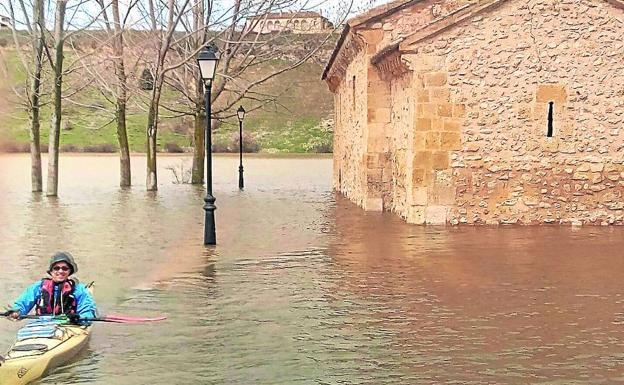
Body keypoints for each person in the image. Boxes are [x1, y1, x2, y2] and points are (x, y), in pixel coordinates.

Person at [7, 251, 97, 324]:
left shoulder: (78, 290)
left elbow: (88, 313)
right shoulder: (39, 287)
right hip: (42, 324)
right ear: (51, 271)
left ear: (70, 271)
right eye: (56, 268)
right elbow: (23, 303)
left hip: (69, 326)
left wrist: (79, 318)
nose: (60, 271)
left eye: (65, 268)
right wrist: (16, 312)